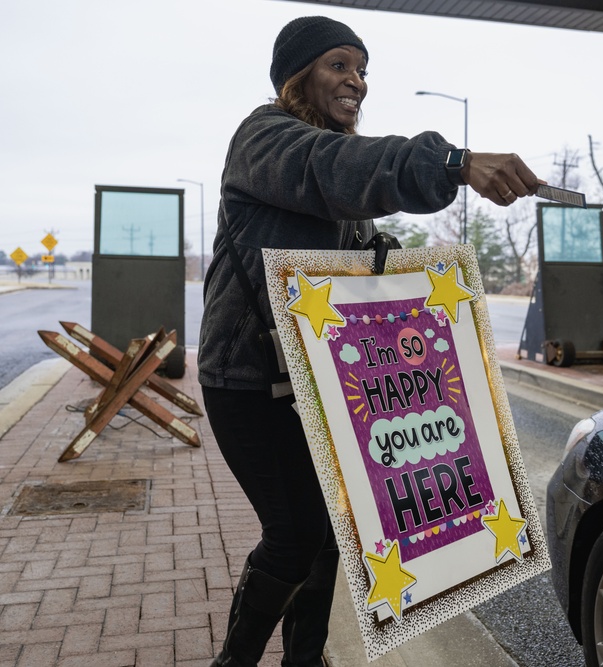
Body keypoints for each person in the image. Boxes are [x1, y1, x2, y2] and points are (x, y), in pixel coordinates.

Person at [197, 15, 542, 666]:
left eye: (362, 70)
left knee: (331, 533)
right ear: (297, 76)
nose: (356, 80)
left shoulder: (336, 170)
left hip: (314, 381)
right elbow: (338, 167)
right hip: (245, 378)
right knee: (293, 533)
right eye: (339, 65)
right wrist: (453, 162)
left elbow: (349, 255)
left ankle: (306, 659)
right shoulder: (266, 138)